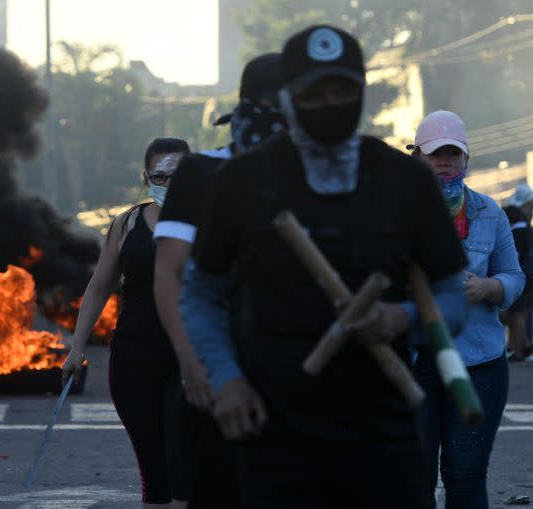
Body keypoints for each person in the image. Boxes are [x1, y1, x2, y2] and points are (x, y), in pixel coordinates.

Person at [180, 25, 469, 509]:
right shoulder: (242, 182)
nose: (329, 102)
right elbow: (199, 293)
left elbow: (451, 298)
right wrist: (225, 378)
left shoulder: (406, 182)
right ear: (288, 99)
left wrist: (404, 318)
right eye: (314, 92)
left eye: (342, 90)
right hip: (274, 431)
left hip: (385, 431)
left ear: (362, 93)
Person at [153, 52, 285, 508]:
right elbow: (169, 273)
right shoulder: (201, 172)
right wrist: (190, 360)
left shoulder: (321, 172)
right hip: (216, 367)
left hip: (298, 375)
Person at [62, 137, 191, 508]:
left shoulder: (210, 221)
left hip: (190, 357)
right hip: (133, 357)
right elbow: (99, 287)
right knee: (154, 471)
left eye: (180, 175)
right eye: (161, 176)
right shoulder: (127, 222)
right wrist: (75, 348)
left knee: (182, 461)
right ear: (146, 177)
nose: (170, 184)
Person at [409, 110, 525, 509]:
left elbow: (514, 276)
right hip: (413, 363)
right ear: (417, 158)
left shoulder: (488, 213)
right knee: (412, 479)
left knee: (465, 476)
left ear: (466, 160)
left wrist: (488, 287)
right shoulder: (395, 212)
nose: (444, 161)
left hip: (479, 363)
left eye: (452, 153)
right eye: (435, 153)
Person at [501, 203, 533, 361]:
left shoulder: (516, 234)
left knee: (516, 314)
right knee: (520, 314)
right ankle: (523, 346)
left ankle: (519, 352)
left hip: (523, 278)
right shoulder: (529, 231)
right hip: (530, 278)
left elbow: (514, 258)